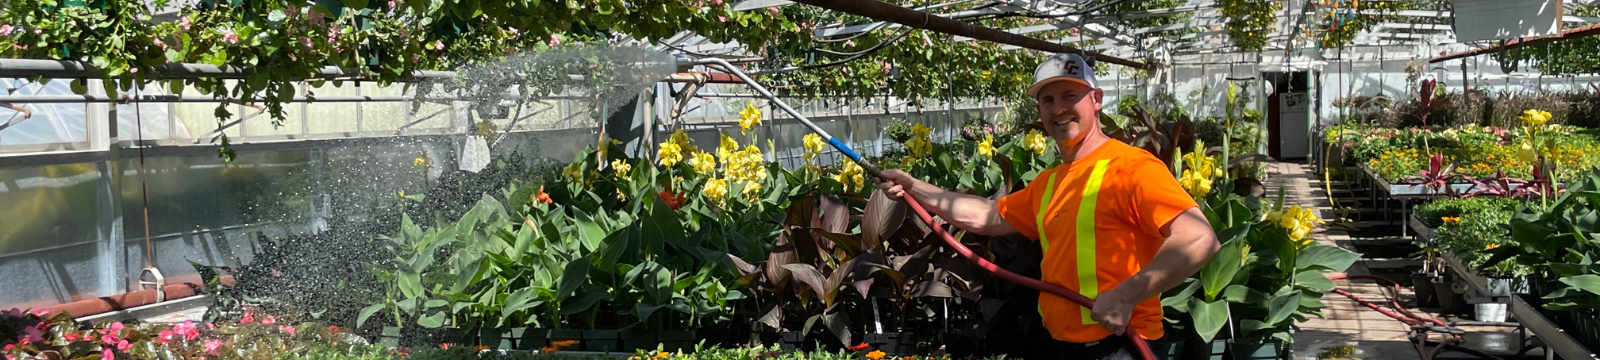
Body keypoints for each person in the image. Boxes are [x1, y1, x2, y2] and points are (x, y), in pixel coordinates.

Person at [875, 53, 1221, 360]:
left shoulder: (1131, 168)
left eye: (1070, 95)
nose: (1058, 108)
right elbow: (986, 215)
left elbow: (1198, 239)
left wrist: (1126, 295)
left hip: (1122, 344)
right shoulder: (1052, 182)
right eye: (1047, 99)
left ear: (1096, 99)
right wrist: (913, 186)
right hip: (1064, 345)